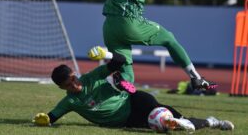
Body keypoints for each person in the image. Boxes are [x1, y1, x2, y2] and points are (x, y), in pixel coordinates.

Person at [33, 47, 233, 133]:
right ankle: (207, 122)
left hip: (133, 99)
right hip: (126, 119)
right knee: (163, 124)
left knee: (162, 114)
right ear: (61, 88)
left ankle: (205, 122)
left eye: (73, 79)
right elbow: (52, 117)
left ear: (74, 74)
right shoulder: (70, 102)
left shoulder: (91, 77)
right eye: (67, 85)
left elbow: (119, 60)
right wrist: (44, 120)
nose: (74, 85)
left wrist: (106, 53)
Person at [101, 0, 217, 90]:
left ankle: (100, 87)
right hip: (128, 23)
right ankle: (196, 77)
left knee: (128, 77)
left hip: (110, 28)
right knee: (169, 38)